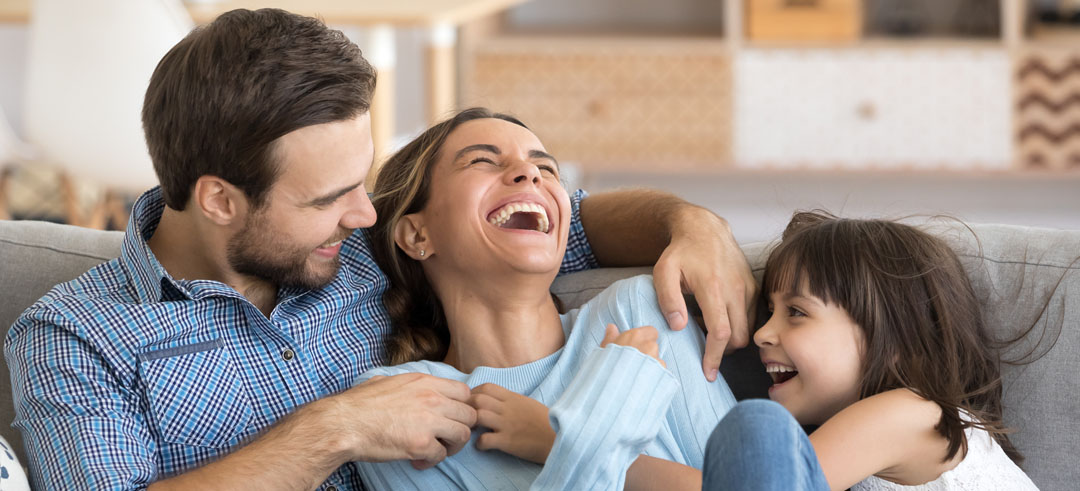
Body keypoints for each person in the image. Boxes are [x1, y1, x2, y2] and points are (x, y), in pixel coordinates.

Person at [3, 8, 755, 491]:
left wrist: (689, 222)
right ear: (220, 200)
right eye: (330, 198)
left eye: (363, 181)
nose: (365, 212)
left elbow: (561, 221)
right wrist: (338, 429)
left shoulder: (370, 245)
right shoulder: (75, 337)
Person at [355, 107, 736, 490]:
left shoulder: (638, 311)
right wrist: (604, 414)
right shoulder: (402, 407)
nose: (530, 173)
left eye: (547, 169)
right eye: (482, 161)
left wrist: (555, 440)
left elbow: (762, 480)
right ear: (418, 236)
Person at [702, 211, 1038, 491]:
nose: (761, 333)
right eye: (769, 311)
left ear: (895, 340)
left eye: (796, 312)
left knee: (755, 427)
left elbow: (752, 485)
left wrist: (645, 448)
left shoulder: (908, 414)